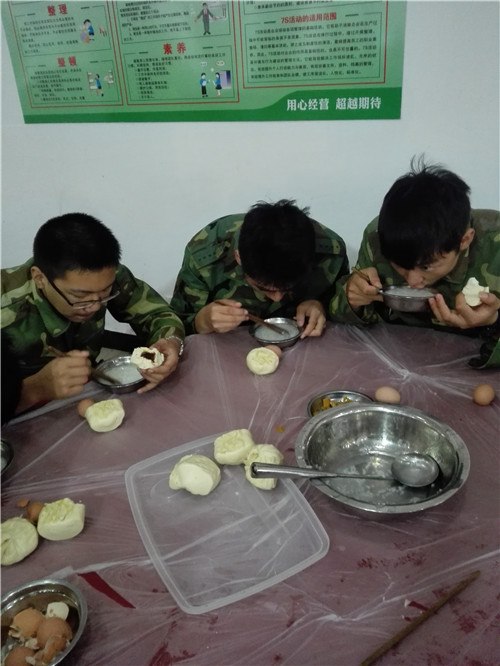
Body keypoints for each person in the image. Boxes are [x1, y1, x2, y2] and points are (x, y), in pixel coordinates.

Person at [1, 213, 185, 414]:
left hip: (84, 396)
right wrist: (34, 389)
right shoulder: (5, 309)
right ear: (39, 278)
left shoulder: (102, 277)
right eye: (80, 296)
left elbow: (156, 314)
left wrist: (171, 341)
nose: (95, 307)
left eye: (105, 292)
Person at [330, 160, 500, 368]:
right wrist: (351, 299)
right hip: (394, 362)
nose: (412, 282)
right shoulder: (381, 237)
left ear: (464, 240)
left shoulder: (495, 246)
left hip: (474, 368)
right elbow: (342, 318)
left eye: (426, 267)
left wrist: (493, 322)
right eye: (400, 265)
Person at [171, 199, 349, 337]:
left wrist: (322, 306)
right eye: (264, 288)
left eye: (288, 288)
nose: (278, 298)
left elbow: (345, 315)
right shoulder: (204, 255)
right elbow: (174, 328)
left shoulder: (331, 252)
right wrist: (202, 322)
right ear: (239, 258)